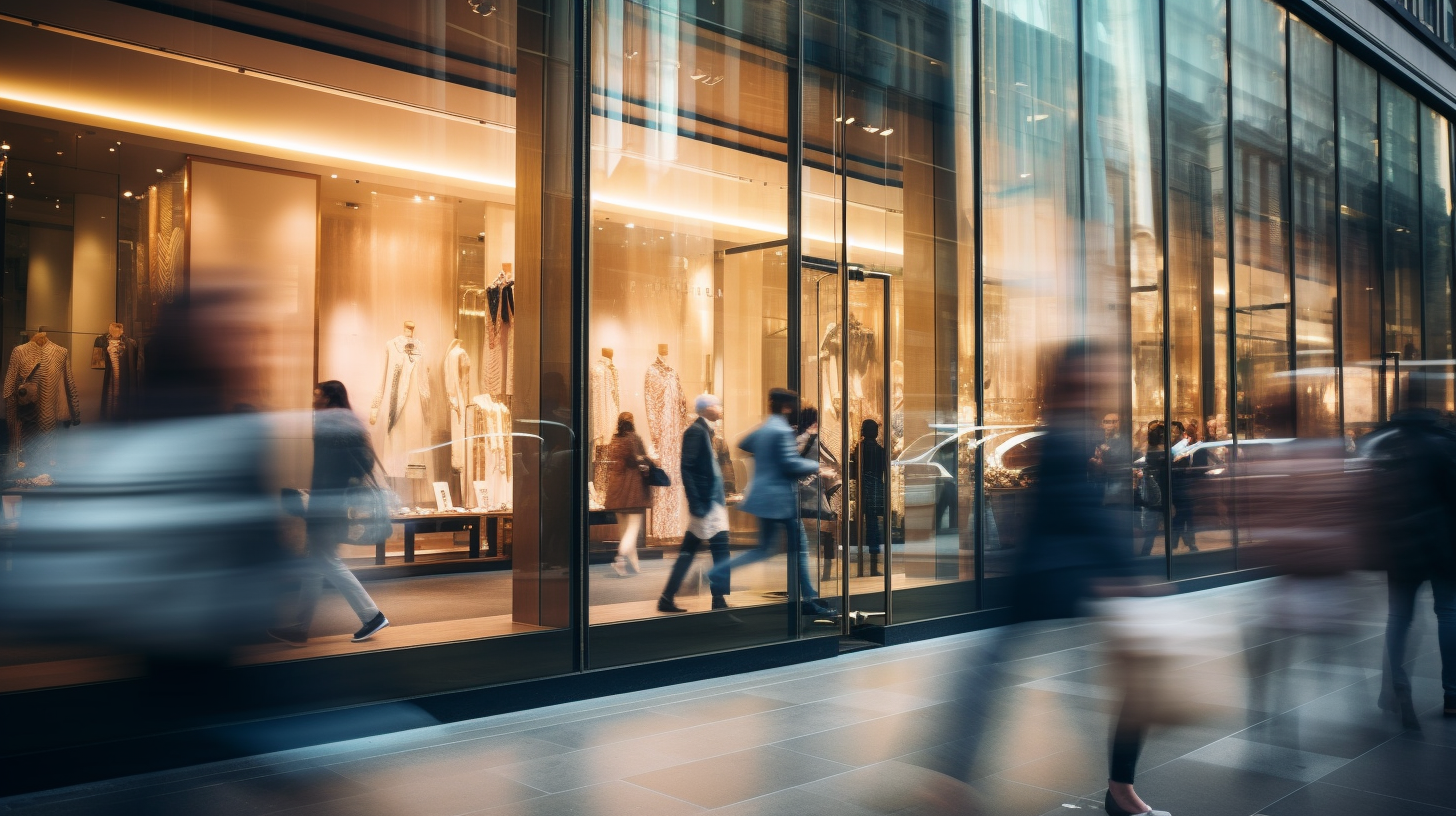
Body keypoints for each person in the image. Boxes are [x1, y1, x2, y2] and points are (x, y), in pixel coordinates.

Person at [947, 342, 1167, 816]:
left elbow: (1072, 509)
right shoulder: (1067, 433)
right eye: (1099, 373)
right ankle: (1119, 791)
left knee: (988, 672)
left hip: (1054, 574)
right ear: (1077, 378)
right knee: (1134, 678)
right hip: (1059, 575)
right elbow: (1076, 509)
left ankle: (948, 779)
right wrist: (1128, 575)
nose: (1106, 382)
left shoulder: (1066, 429)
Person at [269, 381, 389, 645]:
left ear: (329, 397)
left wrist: (323, 497)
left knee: (328, 562)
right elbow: (355, 462)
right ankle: (300, 628)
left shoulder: (335, 423)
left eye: (317, 394)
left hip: (327, 506)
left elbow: (348, 465)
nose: (313, 399)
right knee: (315, 565)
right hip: (327, 502)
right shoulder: (339, 422)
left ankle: (372, 616)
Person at [1365, 385, 1456, 725]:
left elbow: (1371, 500)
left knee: (1399, 619)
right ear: (1427, 404)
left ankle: (1395, 688)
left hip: (1400, 547)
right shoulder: (1444, 442)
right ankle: (1453, 696)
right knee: (1448, 613)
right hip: (1442, 544)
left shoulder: (1385, 443)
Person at [708, 388, 835, 618]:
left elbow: (744, 442)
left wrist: (766, 457)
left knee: (768, 549)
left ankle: (807, 595)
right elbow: (791, 464)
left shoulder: (767, 427)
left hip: (764, 497)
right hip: (780, 499)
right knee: (797, 549)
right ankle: (807, 598)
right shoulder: (782, 431)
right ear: (787, 408)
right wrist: (818, 468)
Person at [658, 395, 731, 613]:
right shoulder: (695, 431)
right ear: (707, 408)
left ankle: (667, 597)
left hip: (710, 500)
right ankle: (718, 600)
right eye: (717, 404)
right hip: (706, 502)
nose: (720, 408)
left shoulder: (707, 431)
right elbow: (687, 468)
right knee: (719, 548)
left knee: (690, 550)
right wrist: (696, 502)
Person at [604, 411, 652, 576]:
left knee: (624, 532)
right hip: (633, 490)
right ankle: (620, 559)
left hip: (617, 491)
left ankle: (634, 565)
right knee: (632, 531)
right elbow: (641, 460)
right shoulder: (634, 439)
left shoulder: (615, 440)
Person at [850, 418, 887, 577]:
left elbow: (853, 472)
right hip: (876, 489)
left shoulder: (859, 448)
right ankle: (873, 565)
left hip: (862, 490)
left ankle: (862, 564)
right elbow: (883, 472)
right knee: (874, 526)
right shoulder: (880, 450)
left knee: (862, 524)